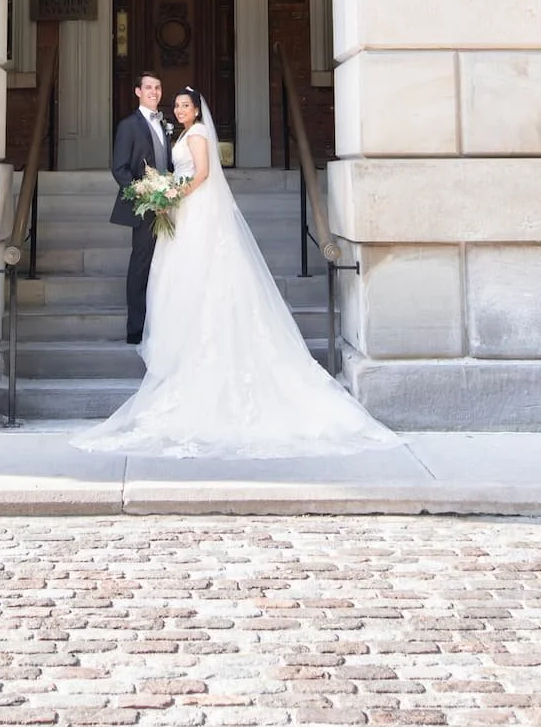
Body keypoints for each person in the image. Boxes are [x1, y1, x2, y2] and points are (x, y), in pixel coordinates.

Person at [75, 89, 398, 458]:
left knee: (200, 276)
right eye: (177, 105)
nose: (179, 109)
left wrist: (171, 196)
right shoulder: (180, 133)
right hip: (183, 212)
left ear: (197, 110)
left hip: (194, 211)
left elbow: (203, 174)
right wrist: (165, 193)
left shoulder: (196, 135)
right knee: (179, 280)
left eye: (186, 105)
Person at [108, 72, 174, 345]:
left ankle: (162, 323)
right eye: (148, 87)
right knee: (141, 264)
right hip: (144, 205)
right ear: (138, 92)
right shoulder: (128, 125)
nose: (154, 92)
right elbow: (119, 169)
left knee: (166, 265)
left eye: (158, 87)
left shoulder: (165, 123)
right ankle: (135, 328)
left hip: (168, 203)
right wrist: (143, 193)